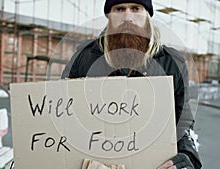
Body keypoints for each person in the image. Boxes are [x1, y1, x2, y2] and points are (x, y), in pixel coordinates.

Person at [62, 0, 202, 168]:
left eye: (136, 8)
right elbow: (63, 111)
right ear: (109, 16)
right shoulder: (83, 58)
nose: (128, 17)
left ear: (147, 15)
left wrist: (187, 155)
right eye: (120, 9)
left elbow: (183, 121)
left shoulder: (172, 63)